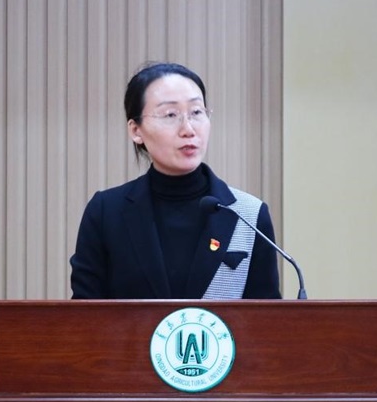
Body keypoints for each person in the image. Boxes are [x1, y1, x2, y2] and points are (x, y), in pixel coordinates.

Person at [70, 62, 281, 299]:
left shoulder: (248, 214)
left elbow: (267, 315)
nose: (188, 129)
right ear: (136, 130)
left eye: (196, 112)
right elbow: (85, 312)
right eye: (170, 115)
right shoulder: (106, 212)